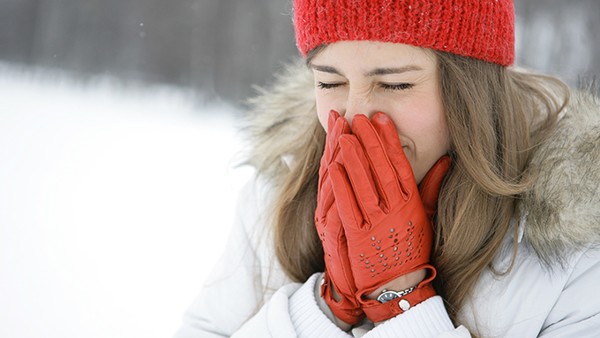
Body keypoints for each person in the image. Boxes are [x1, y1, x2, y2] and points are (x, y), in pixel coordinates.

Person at [175, 0, 600, 337]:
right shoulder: (278, 187)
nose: (356, 118)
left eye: (395, 84)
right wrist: (326, 308)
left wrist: (401, 300)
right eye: (329, 82)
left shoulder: (578, 239)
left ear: (470, 87)